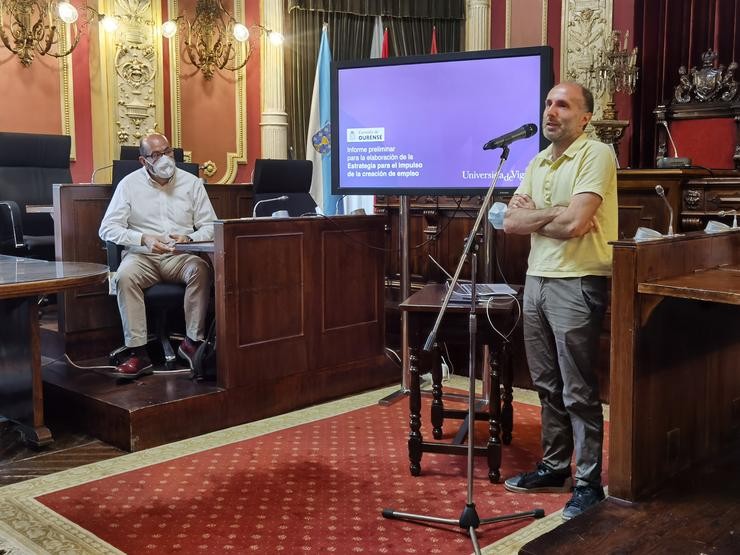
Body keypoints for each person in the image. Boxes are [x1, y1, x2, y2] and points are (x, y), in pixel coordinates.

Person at [501, 82, 617, 520]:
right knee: (546, 385)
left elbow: (576, 224)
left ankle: (588, 482)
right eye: (549, 103)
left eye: (563, 104)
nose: (552, 111)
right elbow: (510, 221)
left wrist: (542, 217)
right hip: (536, 280)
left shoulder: (596, 155)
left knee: (578, 390)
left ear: (585, 117)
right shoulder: (536, 161)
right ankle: (554, 468)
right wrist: (556, 214)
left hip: (579, 281)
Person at [99, 133, 217, 379]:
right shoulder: (129, 185)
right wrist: (144, 239)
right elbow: (107, 228)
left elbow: (210, 226)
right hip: (143, 256)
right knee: (124, 276)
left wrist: (190, 239)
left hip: (180, 255)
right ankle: (138, 353)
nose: (164, 158)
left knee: (201, 270)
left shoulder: (192, 183)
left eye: (168, 152)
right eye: (156, 155)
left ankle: (192, 343)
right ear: (144, 161)